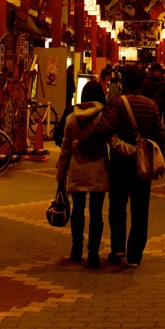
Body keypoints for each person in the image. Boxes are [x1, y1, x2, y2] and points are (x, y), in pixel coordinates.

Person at [77, 64, 165, 269]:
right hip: (143, 164)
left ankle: (118, 249)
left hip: (120, 163)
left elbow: (104, 128)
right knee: (140, 209)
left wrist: (82, 143)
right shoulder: (151, 105)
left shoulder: (116, 103)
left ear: (123, 82)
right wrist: (160, 160)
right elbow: (159, 135)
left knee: (117, 206)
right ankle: (135, 255)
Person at [55, 100, 110, 268]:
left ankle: (76, 249)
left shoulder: (71, 118)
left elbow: (65, 147)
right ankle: (93, 254)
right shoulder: (104, 118)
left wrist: (61, 173)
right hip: (98, 171)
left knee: (77, 211)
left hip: (77, 169)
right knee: (96, 214)